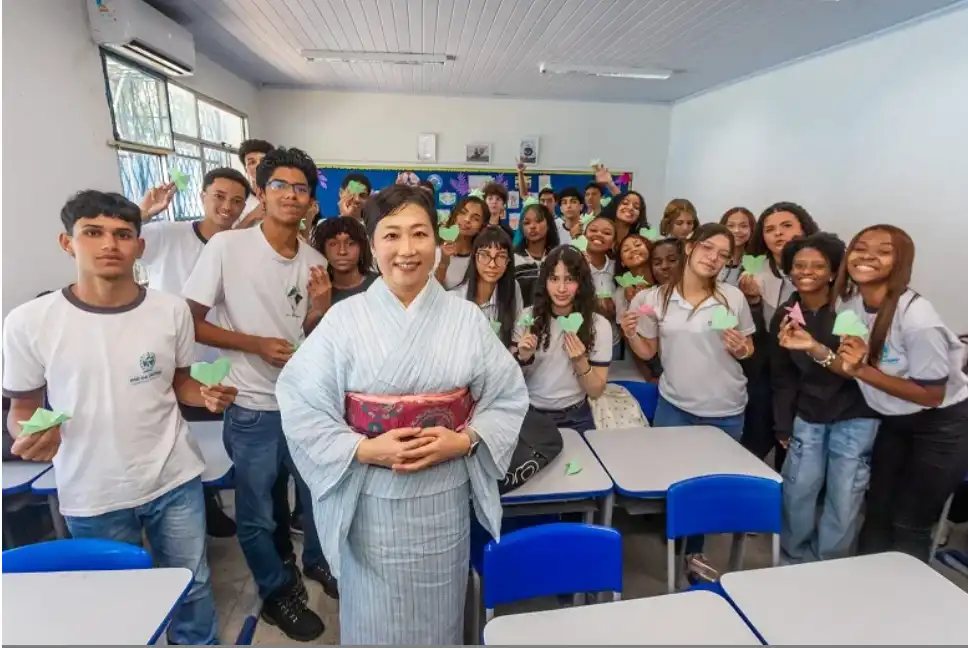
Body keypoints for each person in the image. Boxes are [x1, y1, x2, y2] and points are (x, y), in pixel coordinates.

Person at [276, 184, 528, 644]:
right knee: (376, 620)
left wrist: (466, 439)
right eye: (391, 236)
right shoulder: (344, 320)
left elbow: (508, 396)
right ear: (372, 247)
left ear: (438, 242)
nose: (407, 250)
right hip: (371, 500)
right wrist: (363, 447)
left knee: (439, 614)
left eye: (419, 234)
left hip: (443, 500)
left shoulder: (467, 319)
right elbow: (299, 400)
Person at [2, 190, 238, 645]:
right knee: (113, 596)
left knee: (193, 584)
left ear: (139, 245)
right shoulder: (30, 321)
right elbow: (24, 409)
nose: (109, 244)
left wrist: (206, 395)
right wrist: (30, 437)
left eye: (122, 234)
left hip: (174, 476)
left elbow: (181, 382)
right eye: (93, 232)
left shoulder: (169, 310)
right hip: (92, 487)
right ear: (67, 242)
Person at [182, 147, 332, 640]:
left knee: (314, 497)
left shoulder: (312, 259)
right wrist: (253, 345)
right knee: (256, 512)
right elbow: (191, 322)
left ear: (311, 200)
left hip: (302, 403)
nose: (291, 195)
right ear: (262, 193)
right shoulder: (228, 247)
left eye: (301, 188)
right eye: (280, 186)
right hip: (251, 407)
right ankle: (275, 590)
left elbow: (305, 333)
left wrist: (319, 307)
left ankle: (314, 563)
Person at [623, 224, 754, 579]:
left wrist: (743, 349)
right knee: (674, 482)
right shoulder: (655, 298)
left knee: (708, 487)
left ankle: (693, 553)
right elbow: (649, 350)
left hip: (724, 408)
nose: (714, 258)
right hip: (675, 405)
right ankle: (677, 542)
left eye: (723, 255)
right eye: (708, 248)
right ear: (691, 247)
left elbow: (748, 347)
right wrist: (631, 332)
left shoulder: (732, 298)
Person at [831, 226, 968, 562]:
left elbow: (931, 395)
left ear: (901, 262)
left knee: (910, 521)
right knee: (876, 510)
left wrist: (863, 369)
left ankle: (907, 602)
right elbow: (847, 366)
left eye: (883, 251)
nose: (867, 256)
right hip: (895, 420)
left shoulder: (918, 319)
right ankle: (865, 588)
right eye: (860, 248)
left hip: (941, 425)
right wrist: (813, 349)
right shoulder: (849, 307)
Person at [138, 168, 252, 539]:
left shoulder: (241, 246)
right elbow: (122, 241)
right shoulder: (167, 235)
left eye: (237, 200)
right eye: (219, 196)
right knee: (177, 436)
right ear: (202, 196)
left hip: (219, 357)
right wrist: (143, 212)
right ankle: (189, 508)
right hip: (168, 360)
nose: (227, 206)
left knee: (215, 440)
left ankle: (210, 503)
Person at [770, 233, 879, 562]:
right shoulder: (786, 315)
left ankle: (828, 566)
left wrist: (816, 349)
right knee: (797, 492)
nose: (807, 272)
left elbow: (854, 368)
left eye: (818, 266)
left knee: (843, 499)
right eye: (799, 265)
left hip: (855, 416)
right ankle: (791, 560)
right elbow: (783, 377)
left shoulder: (851, 312)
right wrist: (782, 425)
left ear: (834, 272)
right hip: (808, 415)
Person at [739, 202, 820, 467]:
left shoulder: (820, 269)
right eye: (770, 229)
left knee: (796, 452)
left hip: (808, 370)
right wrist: (752, 301)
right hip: (765, 367)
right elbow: (750, 328)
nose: (778, 234)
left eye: (787, 226)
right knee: (755, 440)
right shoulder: (754, 269)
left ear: (804, 229)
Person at [516, 246, 612, 434]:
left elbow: (595, 392)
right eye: (554, 279)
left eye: (570, 279)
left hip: (576, 417)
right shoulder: (527, 318)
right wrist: (523, 357)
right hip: (530, 413)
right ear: (544, 281)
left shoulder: (599, 325)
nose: (561, 289)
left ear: (581, 283)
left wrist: (580, 361)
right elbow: (511, 381)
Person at [452, 226, 524, 349]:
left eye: (501, 257)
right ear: (474, 258)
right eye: (484, 255)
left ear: (508, 262)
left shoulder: (512, 287)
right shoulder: (455, 299)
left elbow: (516, 338)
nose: (492, 264)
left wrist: (522, 354)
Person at [310, 216, 379, 305]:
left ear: (362, 248)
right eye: (333, 244)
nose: (342, 251)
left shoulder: (382, 283)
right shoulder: (318, 291)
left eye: (351, 243)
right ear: (323, 250)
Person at [435, 194, 487, 289]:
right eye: (463, 213)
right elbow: (431, 291)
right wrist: (444, 261)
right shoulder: (435, 250)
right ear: (455, 215)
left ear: (482, 226)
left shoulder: (482, 258)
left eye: (475, 218)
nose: (467, 220)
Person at [513, 201, 560, 306]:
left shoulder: (558, 257)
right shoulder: (513, 259)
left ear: (548, 225)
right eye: (527, 223)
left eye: (538, 221)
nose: (532, 226)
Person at [612, 233, 653, 321]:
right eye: (626, 250)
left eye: (638, 245)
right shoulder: (622, 293)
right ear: (622, 262)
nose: (633, 250)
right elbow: (623, 327)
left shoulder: (664, 279)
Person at [584, 215, 617, 322]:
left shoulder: (618, 268)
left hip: (614, 335)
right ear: (584, 236)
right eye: (593, 230)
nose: (598, 234)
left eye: (606, 233)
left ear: (613, 243)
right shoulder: (572, 265)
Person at [235, 138, 274, 229]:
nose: (258, 165)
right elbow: (228, 236)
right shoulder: (239, 197)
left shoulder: (285, 194)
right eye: (252, 162)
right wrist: (251, 217)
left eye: (263, 160)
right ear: (245, 168)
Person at [718, 207, 755, 286]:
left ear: (751, 230)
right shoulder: (713, 256)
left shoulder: (755, 260)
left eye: (743, 226)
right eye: (731, 226)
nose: (737, 230)